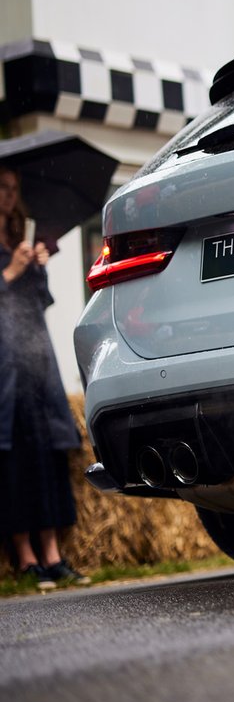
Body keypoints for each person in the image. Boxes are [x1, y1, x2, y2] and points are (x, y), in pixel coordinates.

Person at [0, 166, 90, 589]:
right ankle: (26, 557)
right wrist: (10, 273)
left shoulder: (23, 238)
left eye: (13, 188)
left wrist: (38, 266)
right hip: (5, 366)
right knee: (15, 457)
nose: (8, 195)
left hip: (37, 360)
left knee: (47, 453)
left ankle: (53, 554)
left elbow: (42, 301)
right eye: (1, 187)